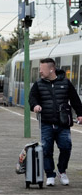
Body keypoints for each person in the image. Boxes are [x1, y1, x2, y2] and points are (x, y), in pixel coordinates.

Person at [29, 58, 82, 186]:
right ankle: (50, 175)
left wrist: (80, 114)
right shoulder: (38, 84)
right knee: (46, 149)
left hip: (63, 123)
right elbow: (32, 98)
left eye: (42, 69)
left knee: (66, 147)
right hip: (46, 122)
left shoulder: (66, 83)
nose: (40, 71)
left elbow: (75, 99)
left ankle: (62, 171)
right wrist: (35, 105)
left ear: (51, 69)